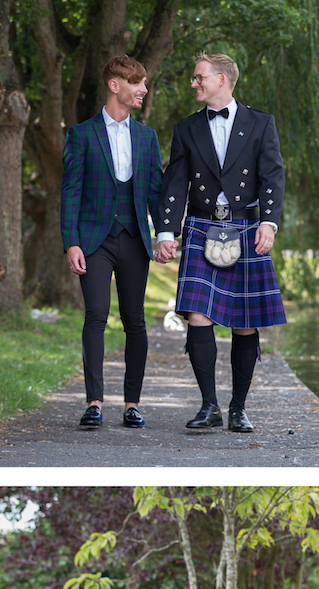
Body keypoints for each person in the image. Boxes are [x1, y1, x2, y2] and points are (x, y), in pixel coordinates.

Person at [154, 53, 286, 433]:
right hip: (200, 225)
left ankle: (238, 408)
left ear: (222, 79)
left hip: (246, 226)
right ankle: (209, 404)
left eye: (199, 77)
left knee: (245, 323)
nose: (194, 83)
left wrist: (269, 223)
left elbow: (273, 176)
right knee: (198, 315)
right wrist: (166, 232)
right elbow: (175, 182)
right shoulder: (187, 128)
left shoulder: (261, 123)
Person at [61, 54, 165, 431]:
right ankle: (94, 403)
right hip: (94, 240)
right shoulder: (82, 134)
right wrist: (71, 242)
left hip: (136, 239)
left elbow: (156, 192)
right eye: (137, 82)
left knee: (135, 320)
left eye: (144, 83)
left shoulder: (147, 137)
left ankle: (132, 404)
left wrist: (164, 235)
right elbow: (70, 192)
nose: (143, 89)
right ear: (115, 85)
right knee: (96, 315)